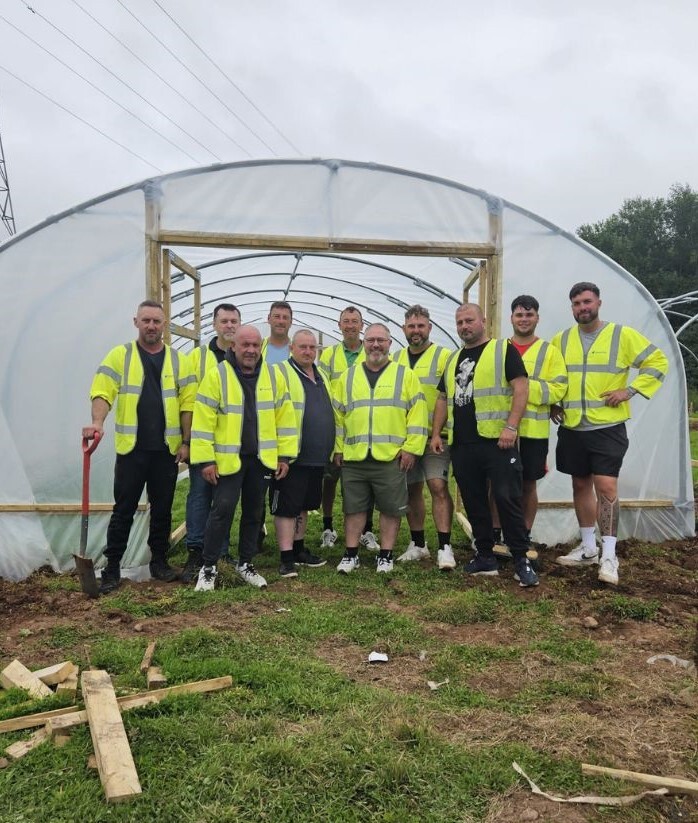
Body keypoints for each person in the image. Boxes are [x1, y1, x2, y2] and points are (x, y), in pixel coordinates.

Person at [551, 282, 668, 585]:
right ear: (572, 307)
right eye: (576, 303)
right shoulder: (561, 340)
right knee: (580, 484)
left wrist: (629, 390)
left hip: (607, 428)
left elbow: (657, 362)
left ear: (599, 302)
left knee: (606, 488)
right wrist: (554, 402)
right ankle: (588, 547)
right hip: (573, 426)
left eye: (587, 301)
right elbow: (554, 376)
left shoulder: (621, 335)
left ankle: (609, 554)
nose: (582, 308)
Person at [83, 300, 196, 594]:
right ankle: (112, 567)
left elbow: (188, 403)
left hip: (165, 451)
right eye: (146, 321)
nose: (151, 326)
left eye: (157, 321)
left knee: (163, 509)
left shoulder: (177, 360)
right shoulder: (121, 355)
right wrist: (97, 423)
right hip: (132, 451)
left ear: (164, 325)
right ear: (136, 322)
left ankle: (159, 561)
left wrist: (185, 441)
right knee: (124, 509)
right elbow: (102, 390)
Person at [432, 303, 540, 587]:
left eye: (469, 320)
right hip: (464, 444)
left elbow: (521, 386)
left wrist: (511, 426)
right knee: (474, 500)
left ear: (483, 321)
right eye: (459, 323)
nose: (464, 326)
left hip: (497, 441)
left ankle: (520, 558)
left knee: (507, 498)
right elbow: (443, 398)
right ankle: (485, 556)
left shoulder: (503, 350)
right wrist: (436, 434)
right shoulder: (453, 358)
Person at [191, 325, 297, 591]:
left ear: (260, 347)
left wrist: (284, 455)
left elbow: (285, 418)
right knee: (221, 511)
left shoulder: (273, 377)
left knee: (254, 512)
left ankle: (246, 563)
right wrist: (206, 460)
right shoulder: (217, 376)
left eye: (254, 345)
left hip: (261, 460)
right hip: (227, 461)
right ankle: (208, 567)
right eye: (245, 345)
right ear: (233, 347)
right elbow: (202, 421)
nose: (250, 350)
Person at [333, 323, 428, 574]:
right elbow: (337, 417)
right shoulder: (348, 376)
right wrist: (338, 448)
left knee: (390, 508)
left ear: (390, 344)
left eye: (381, 341)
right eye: (371, 340)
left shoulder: (404, 375)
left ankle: (385, 556)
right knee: (353, 508)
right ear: (364, 344)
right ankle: (350, 554)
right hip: (355, 456)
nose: (376, 345)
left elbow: (418, 415)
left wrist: (411, 449)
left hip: (391, 457)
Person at [490, 295, 568, 560]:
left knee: (527, 484)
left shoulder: (549, 352)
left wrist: (522, 387)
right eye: (519, 315)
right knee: (498, 483)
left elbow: (558, 388)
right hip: (501, 430)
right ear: (511, 318)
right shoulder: (498, 348)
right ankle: (497, 534)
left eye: (529, 314)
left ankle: (522, 535)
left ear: (537, 318)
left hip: (533, 432)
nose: (524, 319)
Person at [181, 303, 241, 583]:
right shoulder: (198, 358)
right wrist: (188, 440)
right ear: (214, 324)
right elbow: (189, 402)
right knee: (199, 495)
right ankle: (195, 549)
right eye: (225, 321)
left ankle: (222, 550)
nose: (230, 326)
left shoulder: (244, 356)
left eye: (234, 321)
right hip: (203, 441)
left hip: (232, 443)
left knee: (225, 500)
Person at [393, 305, 456, 570]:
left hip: (435, 437)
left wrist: (437, 433)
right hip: (407, 439)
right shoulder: (395, 359)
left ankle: (445, 546)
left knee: (438, 486)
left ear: (429, 327)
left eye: (421, 325)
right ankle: (418, 544)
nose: (416, 331)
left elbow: (450, 396)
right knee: (411, 489)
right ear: (404, 329)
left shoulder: (445, 357)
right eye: (411, 326)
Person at [270, 330, 335, 577]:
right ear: (291, 348)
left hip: (316, 457)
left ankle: (299, 550)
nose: (308, 351)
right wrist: (280, 454)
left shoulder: (322, 376)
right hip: (291, 456)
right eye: (303, 347)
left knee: (304, 505)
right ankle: (286, 557)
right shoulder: (280, 373)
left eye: (312, 348)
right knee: (287, 506)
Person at [318, 306, 379, 551]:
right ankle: (328, 526)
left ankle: (367, 530)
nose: (351, 325)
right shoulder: (329, 355)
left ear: (361, 325)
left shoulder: (374, 351)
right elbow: (321, 388)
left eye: (355, 321)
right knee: (330, 479)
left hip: (365, 428)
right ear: (339, 325)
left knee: (366, 482)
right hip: (335, 427)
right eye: (346, 321)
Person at [262, 300, 293, 365]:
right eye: (277, 316)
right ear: (268, 319)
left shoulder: (297, 348)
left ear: (291, 322)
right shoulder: (259, 346)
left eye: (285, 317)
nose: (281, 321)